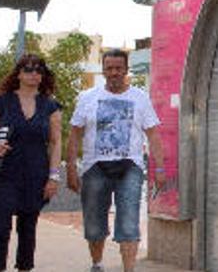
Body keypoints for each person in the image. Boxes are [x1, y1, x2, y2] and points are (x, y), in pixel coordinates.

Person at [66, 49, 165, 272]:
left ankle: (128, 269)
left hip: (130, 167)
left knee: (129, 222)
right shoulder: (87, 98)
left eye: (118, 68)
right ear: (103, 70)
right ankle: (97, 264)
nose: (114, 73)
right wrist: (71, 168)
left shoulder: (140, 98)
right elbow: (74, 135)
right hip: (95, 167)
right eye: (109, 68)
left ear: (126, 69)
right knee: (94, 224)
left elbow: (153, 135)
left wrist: (159, 167)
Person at [0, 54, 63, 271]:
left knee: (28, 229)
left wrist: (53, 177)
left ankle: (24, 267)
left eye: (39, 70)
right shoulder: (1, 102)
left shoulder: (50, 107)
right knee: (0, 228)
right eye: (28, 69)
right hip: (3, 174)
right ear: (18, 73)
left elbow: (55, 143)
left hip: (35, 175)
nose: (34, 74)